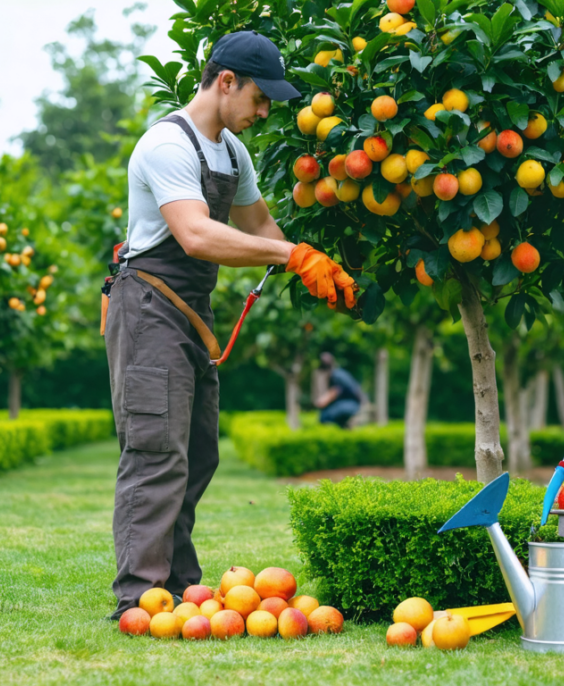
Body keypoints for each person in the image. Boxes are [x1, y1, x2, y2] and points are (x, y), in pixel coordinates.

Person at [102, 31, 356, 619]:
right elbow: (195, 234)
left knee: (197, 450)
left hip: (192, 315)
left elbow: (261, 226)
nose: (265, 111)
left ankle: (178, 582)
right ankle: (139, 596)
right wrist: (288, 257)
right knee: (155, 451)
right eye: (261, 98)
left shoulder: (232, 153)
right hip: (148, 310)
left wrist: (317, 264)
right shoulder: (167, 144)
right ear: (226, 82)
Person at [314, 353, 364, 428]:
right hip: (350, 403)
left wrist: (322, 401)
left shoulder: (336, 375)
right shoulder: (339, 373)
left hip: (351, 404)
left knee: (324, 416)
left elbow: (335, 391)